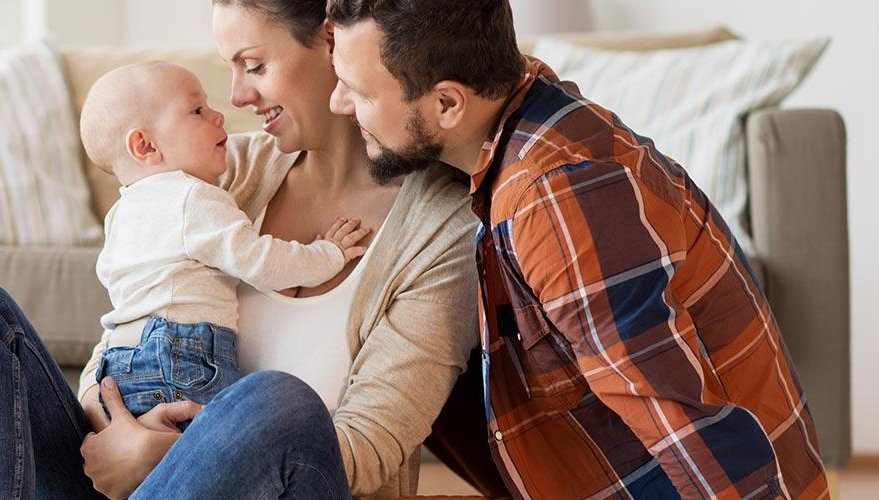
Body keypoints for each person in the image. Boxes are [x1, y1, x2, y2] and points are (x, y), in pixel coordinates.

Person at [0, 0, 482, 497]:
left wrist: (168, 455)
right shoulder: (221, 168)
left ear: (333, 44)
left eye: (255, 65)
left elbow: (369, 448)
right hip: (127, 477)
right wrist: (115, 426)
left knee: (278, 402)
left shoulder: (441, 230)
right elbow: (129, 329)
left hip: (280, 486)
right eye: (230, 70)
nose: (236, 96)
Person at [323, 0, 829, 497]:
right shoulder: (517, 113)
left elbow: (680, 424)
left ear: (449, 104)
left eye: (359, 92)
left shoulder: (555, 195)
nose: (338, 104)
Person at [75, 60, 369, 423]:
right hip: (180, 360)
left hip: (118, 364)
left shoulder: (121, 214)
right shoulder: (193, 198)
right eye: (197, 110)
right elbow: (262, 262)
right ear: (146, 145)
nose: (219, 116)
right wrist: (329, 254)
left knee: (152, 471)